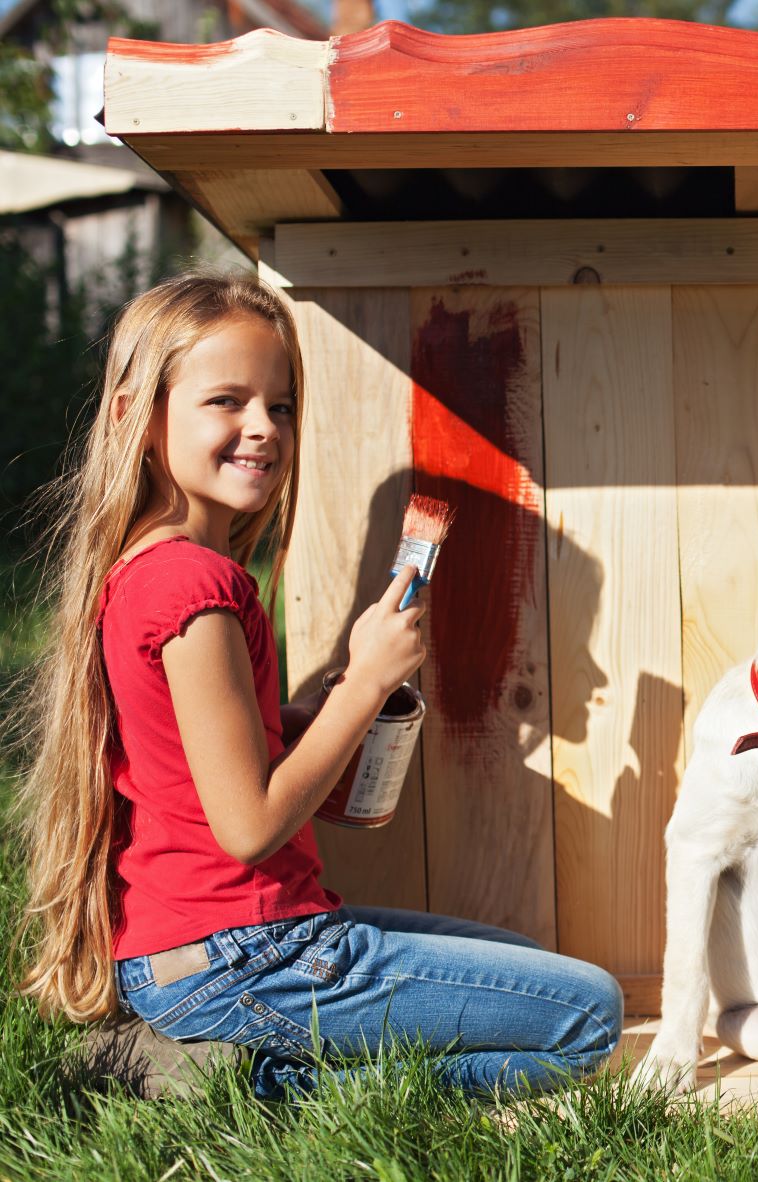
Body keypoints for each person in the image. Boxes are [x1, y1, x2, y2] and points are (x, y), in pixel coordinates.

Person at [15, 270, 622, 1100]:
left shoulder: (151, 574)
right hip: (246, 955)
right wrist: (363, 685)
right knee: (587, 1015)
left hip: (216, 949)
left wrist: (298, 720)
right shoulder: (193, 588)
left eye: (282, 406)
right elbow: (251, 826)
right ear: (138, 418)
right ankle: (254, 1089)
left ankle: (230, 1065)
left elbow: (196, 773)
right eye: (225, 401)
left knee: (526, 972)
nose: (262, 428)